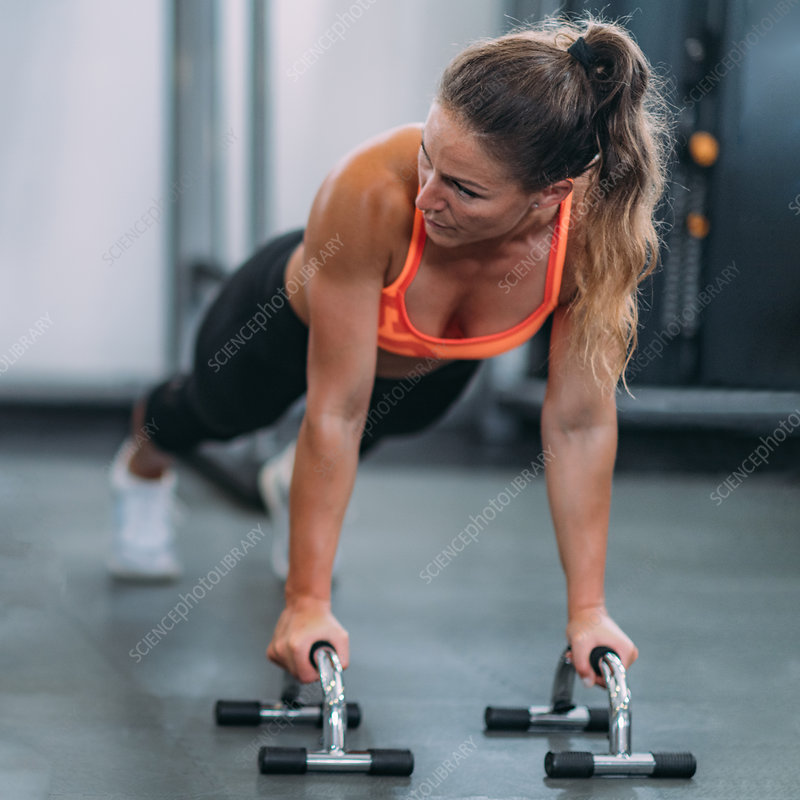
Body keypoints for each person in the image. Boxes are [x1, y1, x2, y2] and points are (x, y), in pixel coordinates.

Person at [110, 14, 671, 688]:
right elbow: (336, 409)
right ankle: (143, 466)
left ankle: (291, 485)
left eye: (464, 189)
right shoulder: (369, 191)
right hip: (282, 326)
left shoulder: (595, 237)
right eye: (428, 156)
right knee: (210, 414)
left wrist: (589, 611)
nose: (428, 196)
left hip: (427, 366)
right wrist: (306, 605)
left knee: (394, 417)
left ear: (550, 197)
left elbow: (578, 424)